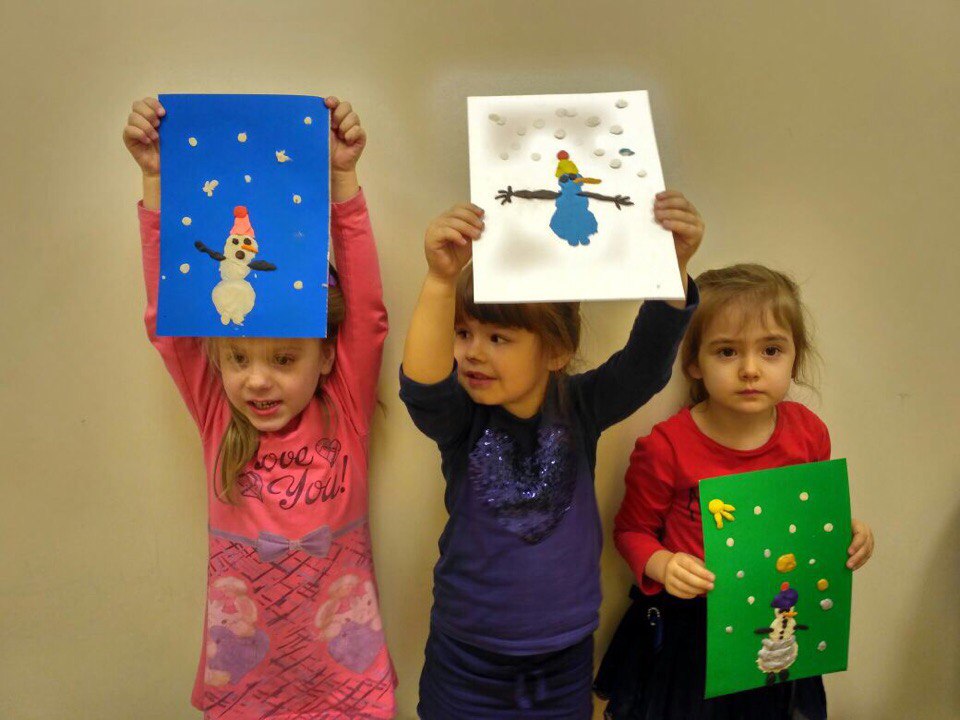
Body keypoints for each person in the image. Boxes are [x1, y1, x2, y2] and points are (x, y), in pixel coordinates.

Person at [124, 95, 396, 719]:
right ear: (217, 359)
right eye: (239, 358)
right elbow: (169, 319)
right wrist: (157, 182)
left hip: (345, 678)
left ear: (325, 357)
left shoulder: (345, 407)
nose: (256, 380)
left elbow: (367, 313)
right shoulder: (217, 413)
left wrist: (343, 178)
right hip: (248, 681)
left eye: (284, 358)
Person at [399, 192, 704, 718]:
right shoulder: (462, 418)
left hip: (563, 659)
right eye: (463, 333)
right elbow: (423, 388)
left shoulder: (580, 406)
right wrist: (441, 281)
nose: (472, 352)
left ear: (557, 351)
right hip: (467, 657)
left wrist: (671, 267)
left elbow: (645, 366)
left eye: (498, 337)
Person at [596, 263, 875, 719]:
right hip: (692, 632)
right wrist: (663, 564)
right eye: (727, 352)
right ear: (694, 363)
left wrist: (847, 532)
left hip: (778, 621)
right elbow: (631, 531)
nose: (749, 370)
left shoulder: (808, 434)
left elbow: (810, 523)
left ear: (794, 358)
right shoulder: (667, 447)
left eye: (771, 350)